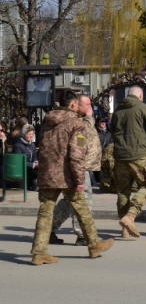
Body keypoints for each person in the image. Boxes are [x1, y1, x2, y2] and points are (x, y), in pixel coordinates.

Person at [29, 90, 114, 265]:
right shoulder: (77, 124)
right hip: (67, 175)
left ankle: (39, 252)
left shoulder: (47, 122)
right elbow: (77, 153)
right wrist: (79, 178)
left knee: (45, 213)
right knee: (82, 209)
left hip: (47, 173)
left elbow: (42, 147)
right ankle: (94, 244)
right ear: (74, 105)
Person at [111, 85, 146, 239]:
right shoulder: (142, 108)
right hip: (138, 154)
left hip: (120, 155)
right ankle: (130, 216)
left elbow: (112, 132)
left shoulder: (118, 110)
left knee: (123, 191)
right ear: (140, 96)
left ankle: (125, 229)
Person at [51, 94, 102, 246]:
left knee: (69, 202)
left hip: (81, 165)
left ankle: (48, 229)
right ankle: (82, 234)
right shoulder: (76, 121)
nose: (89, 108)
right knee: (83, 200)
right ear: (76, 105)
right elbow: (79, 144)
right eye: (86, 105)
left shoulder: (82, 120)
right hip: (78, 166)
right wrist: (89, 118)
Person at [12, 123, 38, 192]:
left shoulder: (32, 144)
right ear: (24, 134)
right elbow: (19, 162)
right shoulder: (17, 145)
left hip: (30, 170)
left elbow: (35, 156)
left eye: (32, 134)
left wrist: (36, 162)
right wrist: (34, 165)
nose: (31, 136)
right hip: (21, 171)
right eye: (29, 134)